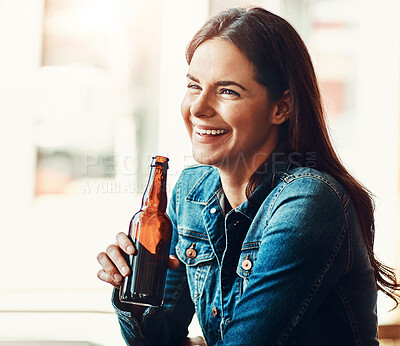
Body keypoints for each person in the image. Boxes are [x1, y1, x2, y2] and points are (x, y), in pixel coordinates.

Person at [96, 7, 400, 345]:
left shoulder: (309, 203)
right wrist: (132, 297)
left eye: (228, 91)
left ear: (281, 107)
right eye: (194, 86)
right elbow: (161, 340)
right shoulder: (190, 192)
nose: (198, 108)